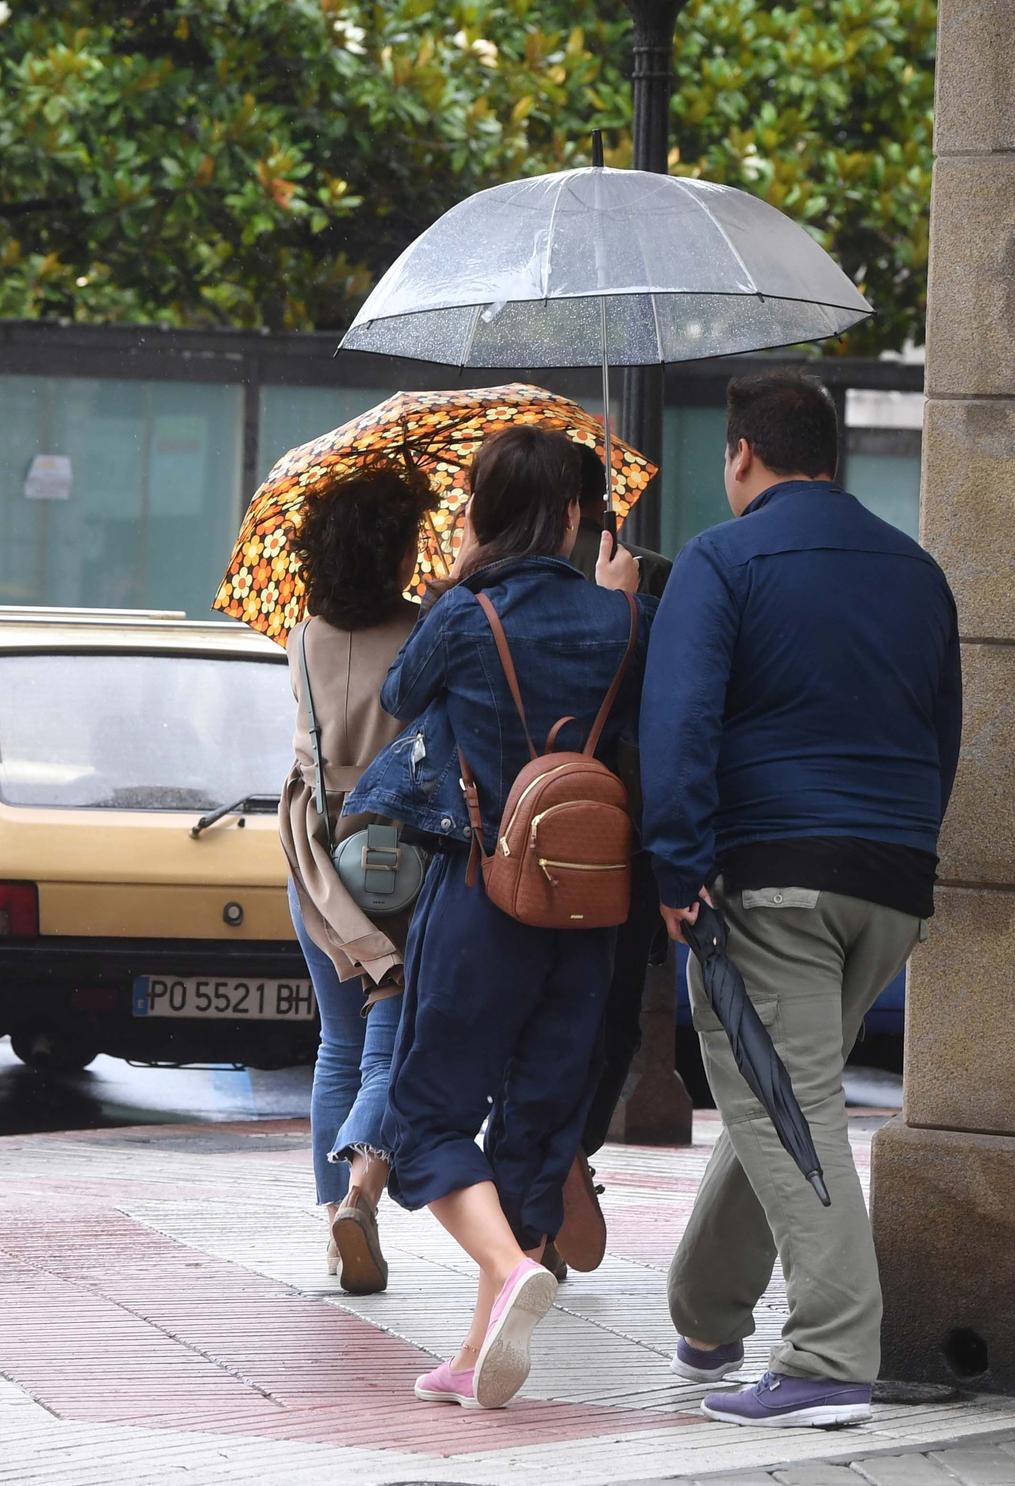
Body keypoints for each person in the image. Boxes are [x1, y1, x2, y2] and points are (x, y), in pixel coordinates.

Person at [640, 370, 962, 1429]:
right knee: (786, 1090)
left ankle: (826, 1355)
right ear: (831, 454)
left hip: (769, 879)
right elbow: (939, 729)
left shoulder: (720, 558)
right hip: (889, 878)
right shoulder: (914, 571)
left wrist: (676, 869)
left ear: (740, 454)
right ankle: (706, 1306)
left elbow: (677, 722)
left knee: (786, 1102)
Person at [344, 425, 648, 1410]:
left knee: (425, 1115)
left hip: (483, 896)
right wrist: (615, 602)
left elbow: (397, 694)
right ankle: (478, 1351)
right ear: (571, 514)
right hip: (590, 905)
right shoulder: (622, 620)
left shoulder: (464, 612)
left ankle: (510, 1276)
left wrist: (453, 586)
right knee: (536, 1118)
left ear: (487, 510)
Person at [489, 460, 675, 1283]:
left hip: (616, 847)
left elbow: (675, 694)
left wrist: (630, 604)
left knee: (611, 1027)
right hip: (526, 844)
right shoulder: (498, 595)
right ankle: (545, 1185)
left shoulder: (650, 584)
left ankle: (559, 1163)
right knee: (546, 1023)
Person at [278, 464, 436, 1296]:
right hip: (397, 857)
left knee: (335, 1044)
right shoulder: (424, 633)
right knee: (390, 1036)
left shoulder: (302, 638)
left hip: (312, 858)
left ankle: (331, 1226)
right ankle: (357, 1201)